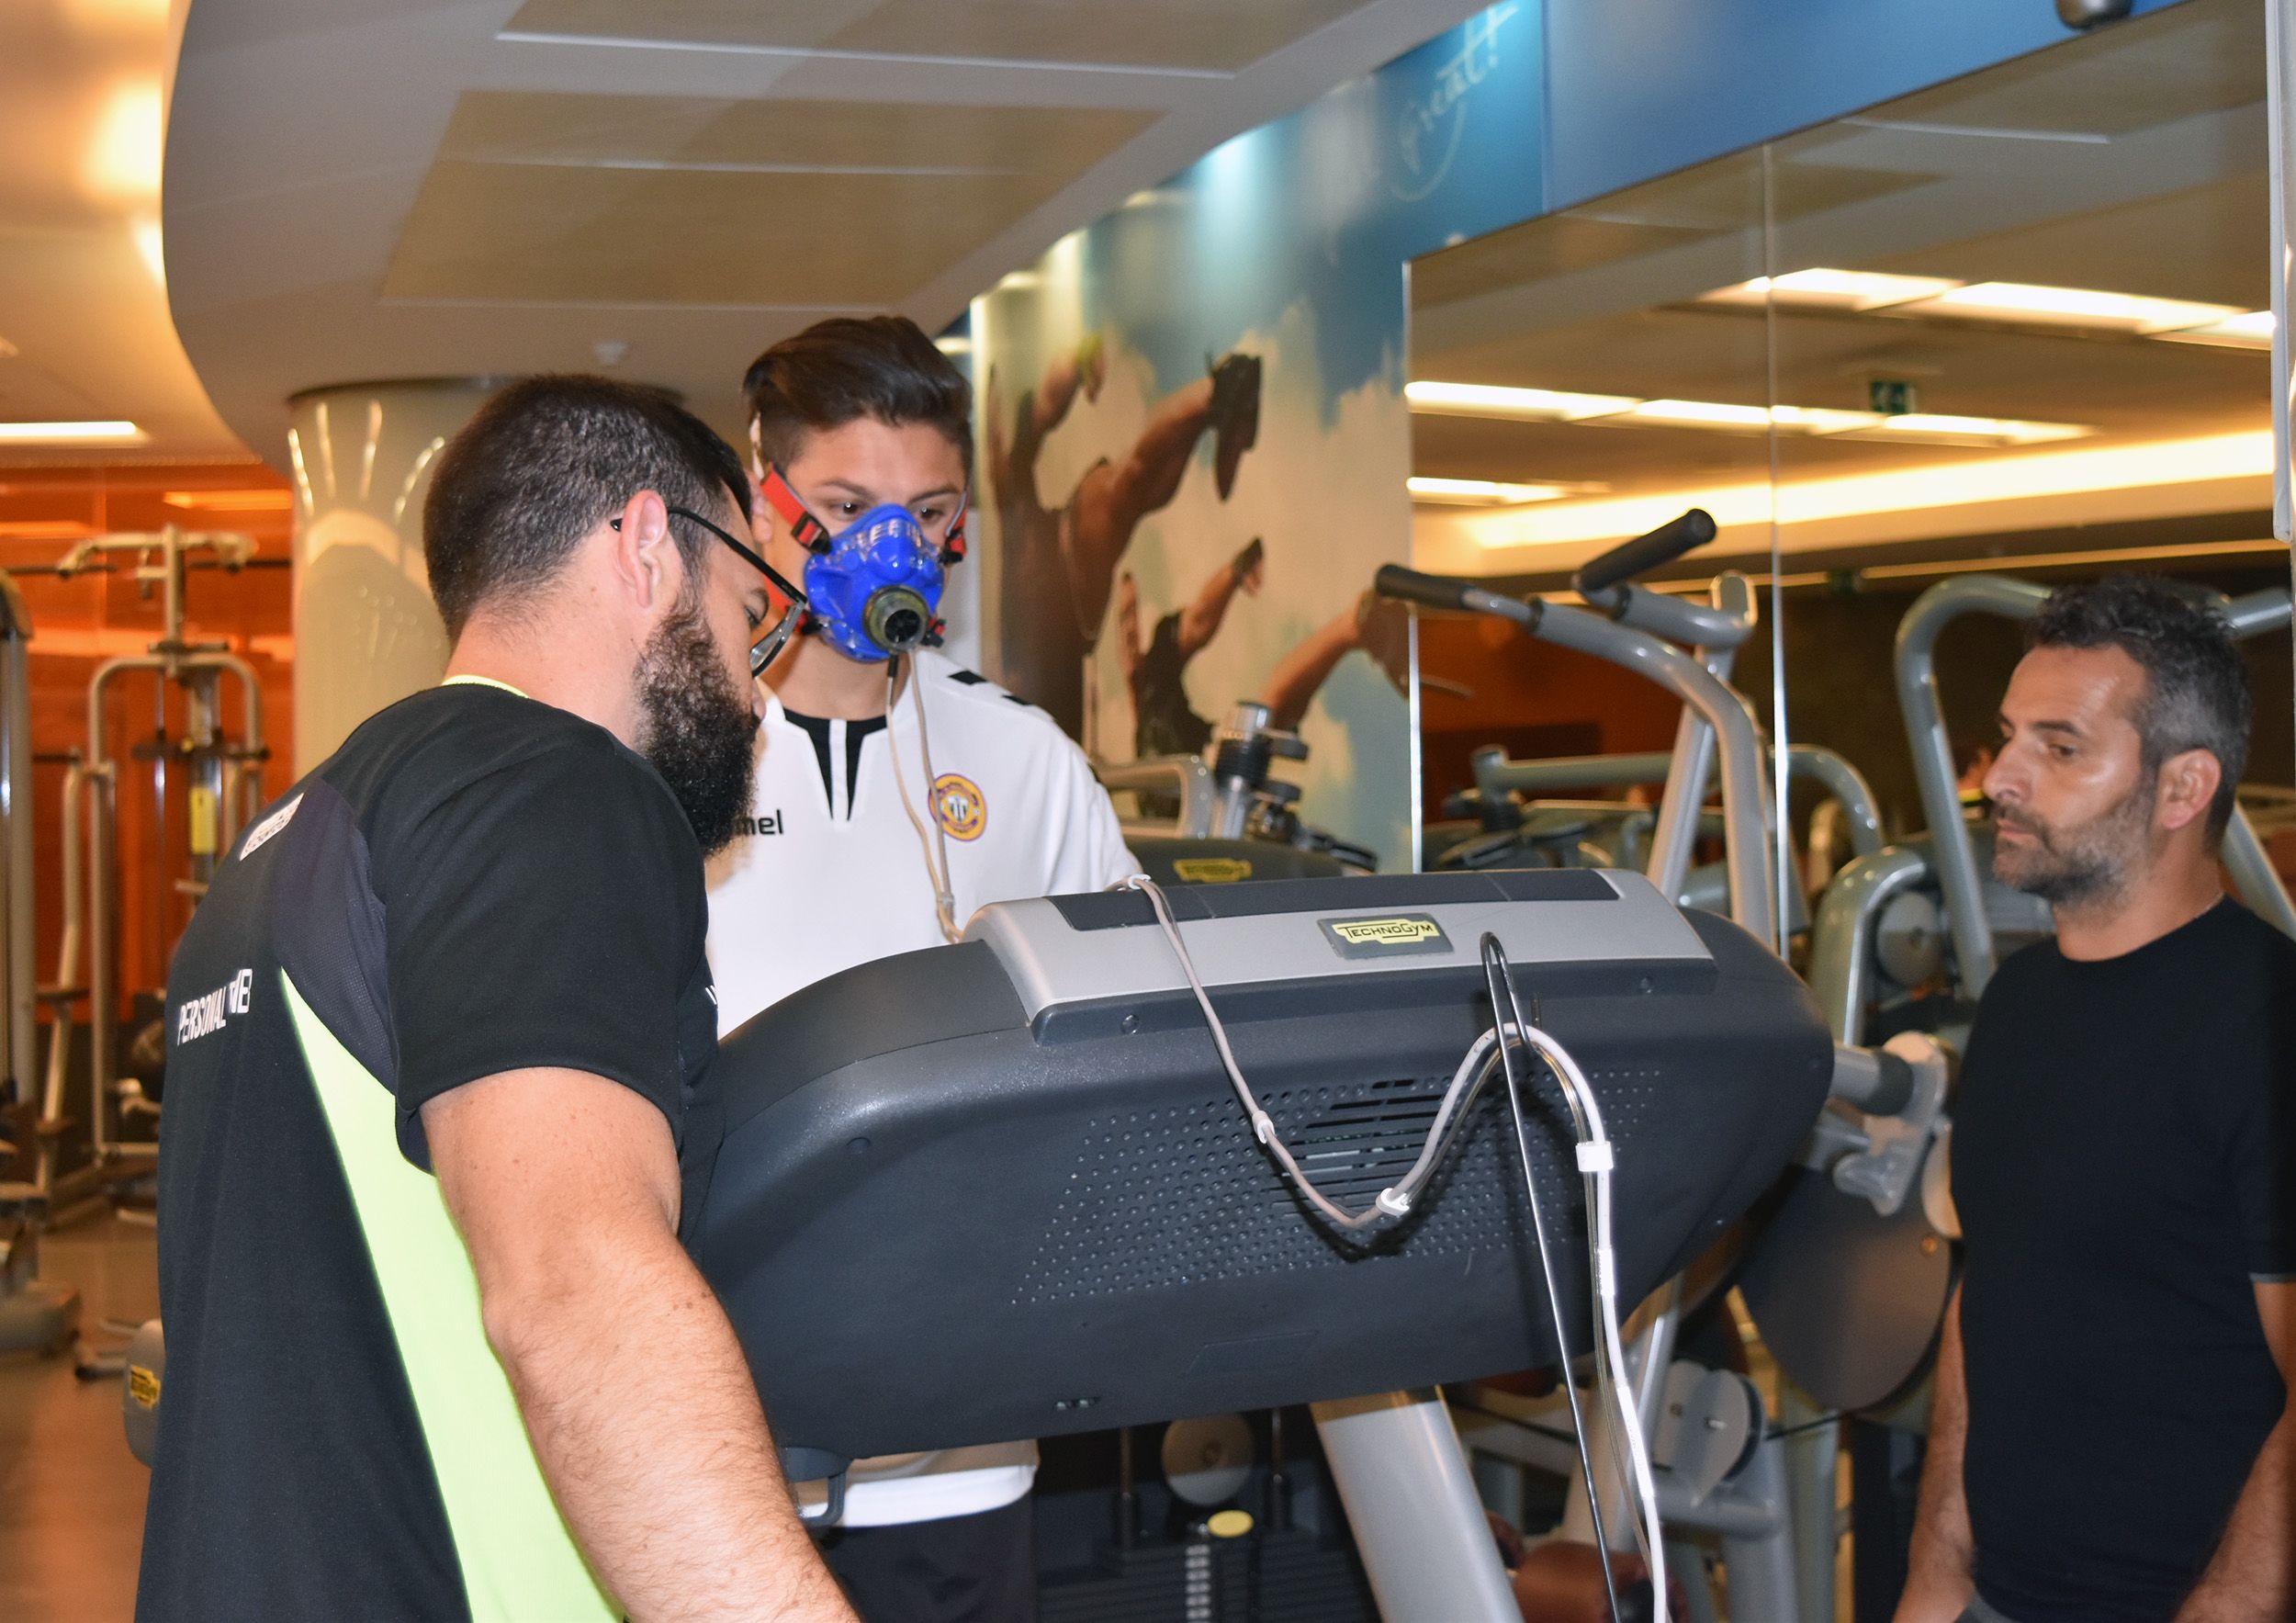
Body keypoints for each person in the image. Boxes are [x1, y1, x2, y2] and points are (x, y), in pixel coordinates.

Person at [136, 376, 852, 1623]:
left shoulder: (293, 836)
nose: (758, 691)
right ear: (646, 545)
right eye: (751, 613)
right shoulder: (552, 784)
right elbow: (575, 1291)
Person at [707, 316, 1137, 1621]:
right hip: (710, 1438)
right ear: (764, 504)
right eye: (847, 507)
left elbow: (1131, 1038)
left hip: (958, 1442)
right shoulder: (671, 749)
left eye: (930, 511)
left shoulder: (1022, 761)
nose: (891, 547)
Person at [1896, 576, 2296, 1623]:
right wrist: (1936, 1571)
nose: (2000, 777)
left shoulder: (2266, 1023)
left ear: (2182, 788)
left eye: (2061, 747)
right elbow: (1989, 1301)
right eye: (2008, 736)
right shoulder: (2018, 1000)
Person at [985, 337, 1261, 735]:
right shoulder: (1011, 483)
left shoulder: (1010, 488)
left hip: (1064, 578)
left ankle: (1222, 392)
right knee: (1134, 491)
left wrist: (1078, 363)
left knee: (1131, 486)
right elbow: (1046, 405)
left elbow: (1045, 406)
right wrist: (1077, 363)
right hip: (1063, 588)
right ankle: (1215, 404)